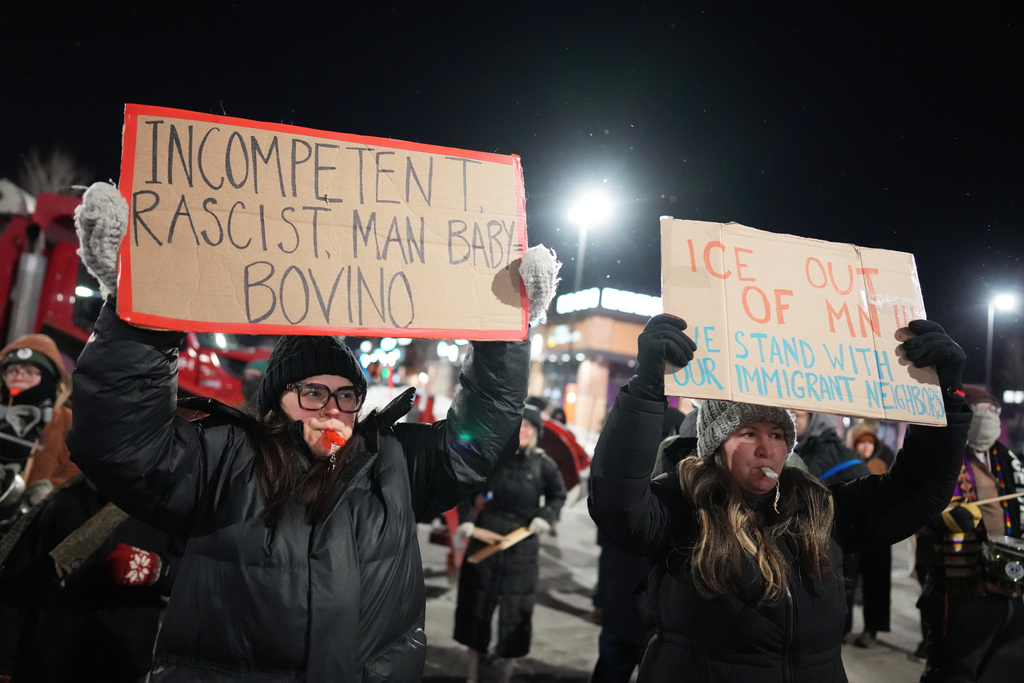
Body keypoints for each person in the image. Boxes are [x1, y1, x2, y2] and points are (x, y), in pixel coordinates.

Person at [66, 181, 559, 681]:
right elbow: (121, 445)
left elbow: (481, 438)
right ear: (277, 398)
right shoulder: (223, 458)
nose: (331, 408)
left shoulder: (393, 462)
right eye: (312, 392)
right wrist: (136, 316)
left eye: (346, 394)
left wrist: (506, 337)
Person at [588, 314, 971, 681]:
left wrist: (942, 399)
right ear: (716, 444)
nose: (765, 448)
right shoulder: (684, 507)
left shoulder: (818, 507)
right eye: (748, 432)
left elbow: (915, 492)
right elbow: (618, 499)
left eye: (776, 434)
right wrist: (646, 388)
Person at [0, 474, 180, 682]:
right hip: (49, 660)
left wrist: (154, 568)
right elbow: (17, 588)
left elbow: (193, 577)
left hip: (120, 664)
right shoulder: (62, 506)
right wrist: (4, 663)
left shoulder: (164, 512)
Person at [916, 384, 1024, 682]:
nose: (989, 417)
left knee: (1000, 669)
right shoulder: (939, 456)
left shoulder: (1007, 460)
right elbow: (912, 509)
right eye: (981, 410)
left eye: (994, 410)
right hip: (959, 586)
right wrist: (943, 518)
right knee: (953, 670)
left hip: (1006, 585)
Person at [453, 404, 567, 683]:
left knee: (515, 612)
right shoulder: (494, 460)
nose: (524, 431)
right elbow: (467, 489)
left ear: (537, 432)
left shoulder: (544, 464)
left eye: (529, 427)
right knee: (476, 604)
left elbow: (557, 496)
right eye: (520, 427)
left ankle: (505, 671)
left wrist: (546, 517)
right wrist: (467, 520)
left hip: (522, 544)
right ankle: (472, 672)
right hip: (486, 538)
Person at [0, 334, 80, 537]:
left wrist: (51, 490)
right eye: (13, 370)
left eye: (29, 372)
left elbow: (81, 473)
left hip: (29, 530)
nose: (18, 377)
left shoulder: (68, 423)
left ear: (48, 377)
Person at [844, 424, 895, 648]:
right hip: (850, 532)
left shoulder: (882, 465)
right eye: (861, 442)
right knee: (845, 583)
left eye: (870, 442)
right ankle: (842, 628)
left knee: (876, 584)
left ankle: (871, 629)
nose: (866, 447)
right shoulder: (845, 464)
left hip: (878, 534)